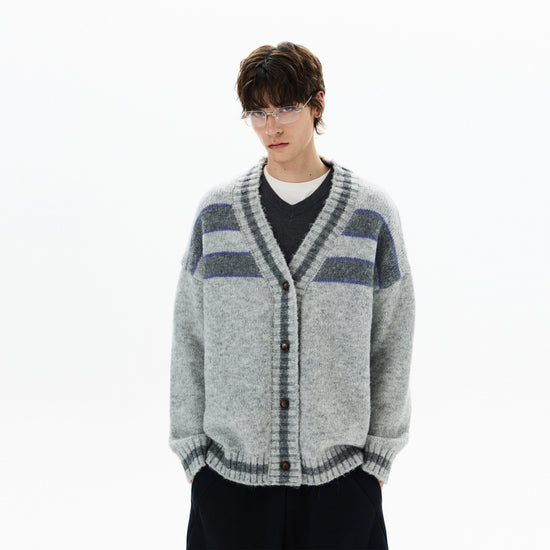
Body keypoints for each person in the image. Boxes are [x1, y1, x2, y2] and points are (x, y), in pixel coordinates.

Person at [169, 41, 416, 550]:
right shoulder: (217, 215)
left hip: (342, 486)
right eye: (257, 112)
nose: (271, 127)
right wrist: (194, 457)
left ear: (317, 103)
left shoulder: (370, 214)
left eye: (285, 108)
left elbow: (392, 339)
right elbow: (190, 336)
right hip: (228, 484)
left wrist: (377, 461)